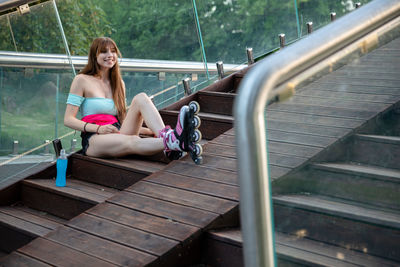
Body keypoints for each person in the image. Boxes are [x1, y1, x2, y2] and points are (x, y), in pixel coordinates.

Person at [64, 37, 189, 159]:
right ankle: (174, 141)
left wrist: (150, 131)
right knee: (133, 140)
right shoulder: (81, 80)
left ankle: (167, 136)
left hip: (117, 131)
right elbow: (68, 119)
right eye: (103, 51)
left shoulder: (119, 84)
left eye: (113, 51)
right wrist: (99, 128)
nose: (110, 55)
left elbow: (123, 121)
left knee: (141, 98)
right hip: (94, 137)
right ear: (94, 56)